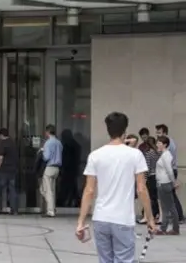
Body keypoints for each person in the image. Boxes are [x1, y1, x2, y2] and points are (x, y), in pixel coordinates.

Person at [76, 112, 156, 263]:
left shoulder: (95, 155)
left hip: (101, 217)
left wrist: (81, 221)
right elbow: (141, 189)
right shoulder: (135, 155)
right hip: (123, 218)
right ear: (125, 130)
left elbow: (89, 190)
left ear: (108, 130)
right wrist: (150, 218)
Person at [155, 124, 184, 222]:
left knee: (170, 194)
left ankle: (178, 216)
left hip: (170, 171)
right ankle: (177, 216)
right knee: (170, 195)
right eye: (157, 132)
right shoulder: (168, 143)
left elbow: (168, 163)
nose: (157, 135)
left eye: (159, 132)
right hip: (170, 171)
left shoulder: (168, 144)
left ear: (165, 133)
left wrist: (173, 180)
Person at [155, 136, 180, 235]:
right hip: (162, 183)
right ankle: (164, 228)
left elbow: (169, 170)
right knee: (166, 207)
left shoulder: (166, 155)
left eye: (159, 143)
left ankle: (174, 228)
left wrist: (174, 182)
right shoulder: (164, 155)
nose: (157, 144)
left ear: (165, 144)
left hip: (165, 183)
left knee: (170, 207)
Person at [40, 124, 63, 217]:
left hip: (49, 168)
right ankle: (52, 207)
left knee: (45, 190)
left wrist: (42, 151)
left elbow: (46, 157)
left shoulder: (48, 143)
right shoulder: (59, 143)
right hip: (57, 168)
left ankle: (50, 210)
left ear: (47, 132)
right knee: (52, 189)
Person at [137, 136, 160, 224]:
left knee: (148, 198)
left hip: (150, 177)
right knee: (155, 198)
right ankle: (156, 214)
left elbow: (147, 168)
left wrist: (144, 179)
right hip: (157, 176)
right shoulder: (157, 153)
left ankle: (147, 217)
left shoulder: (148, 153)